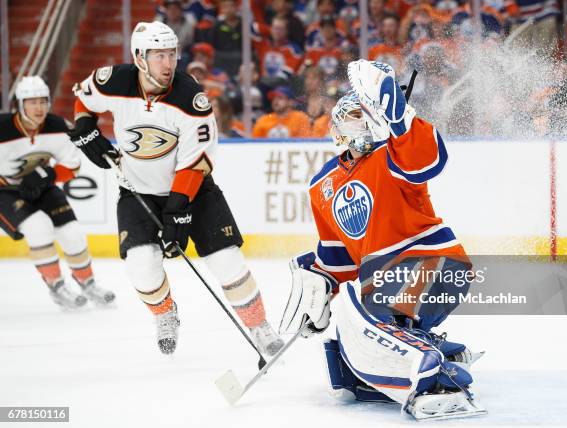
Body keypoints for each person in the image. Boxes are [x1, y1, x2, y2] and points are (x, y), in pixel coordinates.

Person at [278, 60, 486, 421]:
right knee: (345, 356)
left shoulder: (393, 154)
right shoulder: (321, 186)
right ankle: (430, 349)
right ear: (341, 126)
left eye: (367, 114)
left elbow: (429, 159)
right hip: (385, 283)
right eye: (356, 116)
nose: (363, 123)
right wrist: (318, 284)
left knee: (355, 304)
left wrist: (398, 111)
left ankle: (435, 376)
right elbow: (339, 259)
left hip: (436, 266)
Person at [68, 21, 284, 356]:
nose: (168, 64)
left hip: (192, 192)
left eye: (172, 54)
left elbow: (195, 162)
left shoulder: (190, 99)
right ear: (140, 57)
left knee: (227, 261)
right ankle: (166, 313)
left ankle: (259, 325)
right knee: (140, 265)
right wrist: (85, 126)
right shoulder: (113, 81)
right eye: (159, 56)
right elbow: (83, 100)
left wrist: (177, 210)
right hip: (137, 191)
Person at [0, 76, 115, 309]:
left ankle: (87, 282)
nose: (39, 108)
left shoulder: (58, 127)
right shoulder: (2, 129)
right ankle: (56, 286)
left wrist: (46, 175)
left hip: (41, 187)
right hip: (4, 191)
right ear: (20, 105)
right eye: (32, 102)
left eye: (43, 101)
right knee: (39, 227)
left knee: (72, 232)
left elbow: (72, 166)